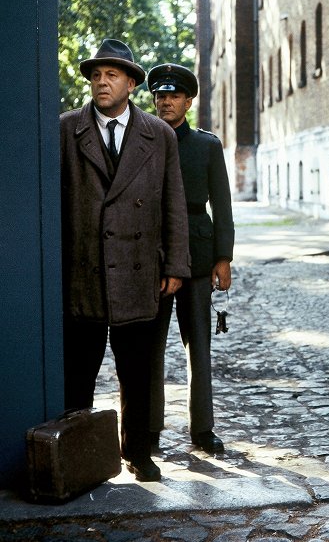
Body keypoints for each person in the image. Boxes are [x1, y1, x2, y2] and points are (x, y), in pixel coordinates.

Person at [60, 39, 191, 482]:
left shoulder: (160, 135)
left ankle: (137, 452)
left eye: (112, 75)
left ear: (131, 83)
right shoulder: (65, 130)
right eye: (96, 75)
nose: (102, 82)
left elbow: (174, 203)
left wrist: (175, 265)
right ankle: (75, 455)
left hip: (140, 272)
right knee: (77, 373)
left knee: (137, 372)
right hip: (84, 272)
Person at [147, 63, 234, 455]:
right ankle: (148, 430)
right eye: (160, 96)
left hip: (199, 257)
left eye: (174, 96)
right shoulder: (142, 140)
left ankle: (202, 429)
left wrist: (223, 257)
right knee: (150, 348)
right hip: (154, 257)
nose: (166, 102)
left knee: (198, 345)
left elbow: (223, 204)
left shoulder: (207, 145)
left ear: (188, 101)